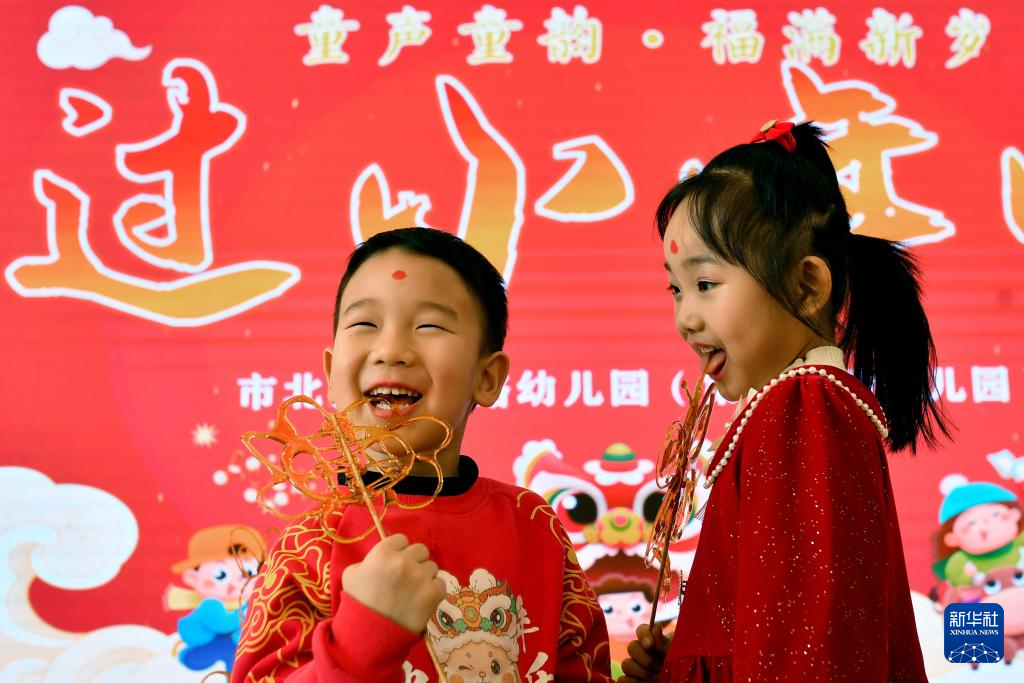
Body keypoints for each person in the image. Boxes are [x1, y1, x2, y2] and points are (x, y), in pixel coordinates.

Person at [619, 121, 950, 682]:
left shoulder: (803, 409)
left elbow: (808, 651)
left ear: (806, 286)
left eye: (705, 284)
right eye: (676, 289)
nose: (686, 318)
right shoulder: (798, 406)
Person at [233, 227, 612, 682]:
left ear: (487, 377)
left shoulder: (532, 525)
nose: (391, 351)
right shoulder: (309, 545)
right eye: (365, 324)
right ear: (331, 374)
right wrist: (361, 641)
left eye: (429, 326)